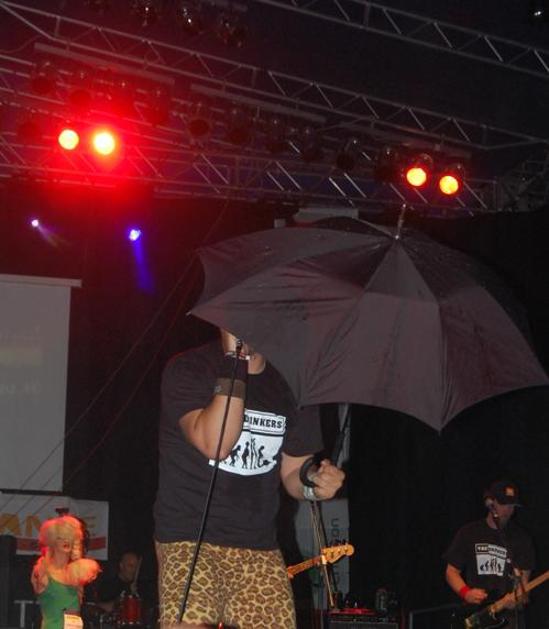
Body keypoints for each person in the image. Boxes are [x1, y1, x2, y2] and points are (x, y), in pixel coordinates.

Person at [154, 329, 345, 628]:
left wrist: (314, 484)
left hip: (258, 543)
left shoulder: (292, 382)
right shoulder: (190, 368)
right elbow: (214, 443)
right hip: (189, 539)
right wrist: (235, 360)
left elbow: (293, 471)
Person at [444, 480, 535, 629]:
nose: (508, 510)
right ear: (491, 503)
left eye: (512, 505)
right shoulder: (469, 532)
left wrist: (517, 601)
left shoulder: (522, 539)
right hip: (476, 615)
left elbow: (524, 591)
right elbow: (451, 572)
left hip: (507, 621)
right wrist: (466, 593)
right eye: (503, 504)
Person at [31, 515, 101, 629]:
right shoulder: (43, 571)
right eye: (61, 537)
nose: (65, 541)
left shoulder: (75, 574)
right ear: (53, 540)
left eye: (69, 537)